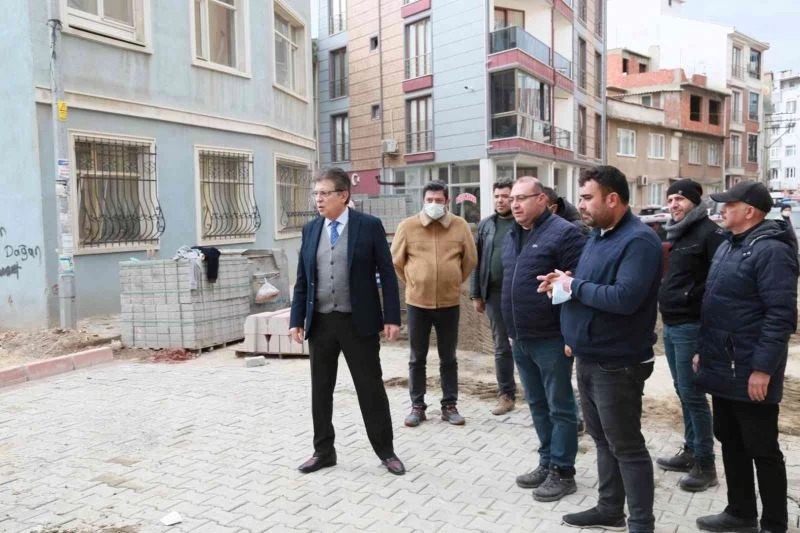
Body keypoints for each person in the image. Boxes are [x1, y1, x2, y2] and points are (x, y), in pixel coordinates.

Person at [538, 165, 662, 533]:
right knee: (603, 440)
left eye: (587, 198)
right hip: (590, 356)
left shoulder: (639, 241)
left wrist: (574, 286)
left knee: (627, 446)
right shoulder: (598, 236)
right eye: (580, 198)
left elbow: (625, 298)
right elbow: (589, 286)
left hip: (618, 362)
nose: (580, 205)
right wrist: (564, 282)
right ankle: (610, 509)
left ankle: (641, 524)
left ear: (613, 199)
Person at [694, 181, 798, 533]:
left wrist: (763, 369)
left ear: (750, 211)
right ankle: (740, 513)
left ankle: (774, 523)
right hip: (723, 364)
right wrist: (702, 351)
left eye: (729, 204)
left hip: (751, 370)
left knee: (762, 448)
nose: (721, 209)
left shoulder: (772, 251)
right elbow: (716, 306)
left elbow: (780, 315)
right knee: (730, 438)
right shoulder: (730, 244)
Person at [289, 168, 405, 476]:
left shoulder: (369, 226)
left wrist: (392, 316)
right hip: (321, 323)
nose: (318, 199)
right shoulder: (311, 229)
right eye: (316, 194)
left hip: (358, 322)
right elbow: (303, 279)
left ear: (343, 195)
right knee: (321, 390)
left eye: (324, 193)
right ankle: (323, 451)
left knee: (370, 388)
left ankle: (386, 451)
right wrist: (296, 319)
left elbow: (388, 274)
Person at [501, 177, 586, 502]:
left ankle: (563, 471)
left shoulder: (565, 233)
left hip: (552, 337)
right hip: (520, 336)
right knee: (536, 403)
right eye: (512, 199)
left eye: (522, 198)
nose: (515, 204)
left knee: (560, 406)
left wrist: (571, 334)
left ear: (542, 200)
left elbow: (579, 285)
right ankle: (547, 460)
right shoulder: (513, 234)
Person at [655, 179, 725, 492]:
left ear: (695, 202)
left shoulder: (709, 234)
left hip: (691, 325)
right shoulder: (676, 232)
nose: (673, 205)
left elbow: (717, 284)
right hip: (671, 323)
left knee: (693, 394)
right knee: (682, 390)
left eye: (680, 199)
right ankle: (691, 450)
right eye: (670, 200)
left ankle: (706, 465)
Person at [391, 180, 478, 427]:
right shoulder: (407, 226)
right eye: (429, 200)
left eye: (439, 200)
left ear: (447, 202)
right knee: (417, 357)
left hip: (449, 303)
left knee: (448, 357)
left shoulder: (460, 226)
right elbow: (397, 261)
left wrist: (453, 281)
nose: (434, 204)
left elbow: (470, 260)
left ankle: (449, 406)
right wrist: (414, 282)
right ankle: (417, 406)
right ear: (423, 200)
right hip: (417, 303)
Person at [470, 180, 517, 415]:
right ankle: (506, 395)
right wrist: (476, 294)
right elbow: (476, 261)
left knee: (527, 345)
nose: (500, 200)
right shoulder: (486, 225)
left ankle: (538, 394)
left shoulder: (524, 223)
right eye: (497, 196)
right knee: (501, 346)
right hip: (494, 295)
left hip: (521, 294)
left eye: (505, 196)